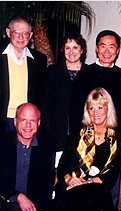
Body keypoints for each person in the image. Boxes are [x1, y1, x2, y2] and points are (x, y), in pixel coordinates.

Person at [42, 88, 121, 211]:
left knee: (90, 204)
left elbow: (111, 176)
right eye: (91, 108)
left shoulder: (116, 138)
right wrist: (69, 179)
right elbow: (64, 164)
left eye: (100, 107)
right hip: (71, 181)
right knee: (67, 206)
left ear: (108, 109)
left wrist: (85, 182)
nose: (95, 113)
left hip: (96, 186)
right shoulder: (78, 133)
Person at [0, 16, 47, 145]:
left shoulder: (39, 60)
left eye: (25, 33)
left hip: (27, 123)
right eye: (16, 33)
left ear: (30, 35)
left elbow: (42, 95)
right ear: (8, 33)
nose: (21, 37)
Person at [84, 30, 121, 209]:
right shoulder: (86, 73)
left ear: (117, 50)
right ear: (96, 49)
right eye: (103, 46)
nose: (107, 51)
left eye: (112, 47)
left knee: (111, 186)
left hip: (113, 140)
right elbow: (77, 109)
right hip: (88, 139)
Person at [40, 33, 88, 166]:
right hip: (56, 132)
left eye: (75, 47)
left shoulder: (90, 72)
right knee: (55, 171)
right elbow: (46, 104)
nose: (71, 52)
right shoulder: (52, 72)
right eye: (67, 48)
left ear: (82, 50)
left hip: (82, 133)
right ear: (63, 50)